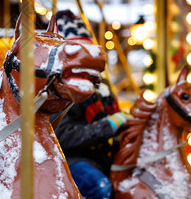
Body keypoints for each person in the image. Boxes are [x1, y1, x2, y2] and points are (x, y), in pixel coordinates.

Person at [53, 10, 132, 199]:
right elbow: (61, 135)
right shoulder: (61, 85)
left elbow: (116, 115)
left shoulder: (101, 83)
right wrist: (110, 125)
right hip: (70, 158)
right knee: (100, 187)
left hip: (103, 156)